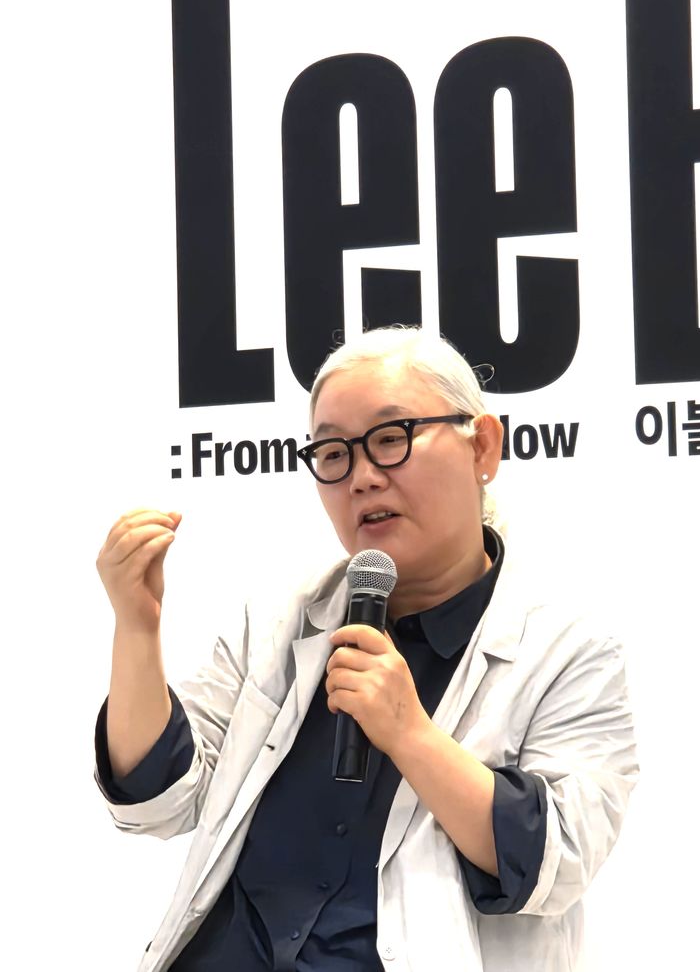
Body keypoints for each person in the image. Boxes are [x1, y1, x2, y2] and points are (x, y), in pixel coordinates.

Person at [95, 326, 638, 972]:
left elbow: (558, 858)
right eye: (334, 453)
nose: (362, 478)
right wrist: (137, 629)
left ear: (482, 447)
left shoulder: (572, 650)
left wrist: (409, 734)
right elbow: (157, 802)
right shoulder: (279, 618)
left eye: (390, 438)